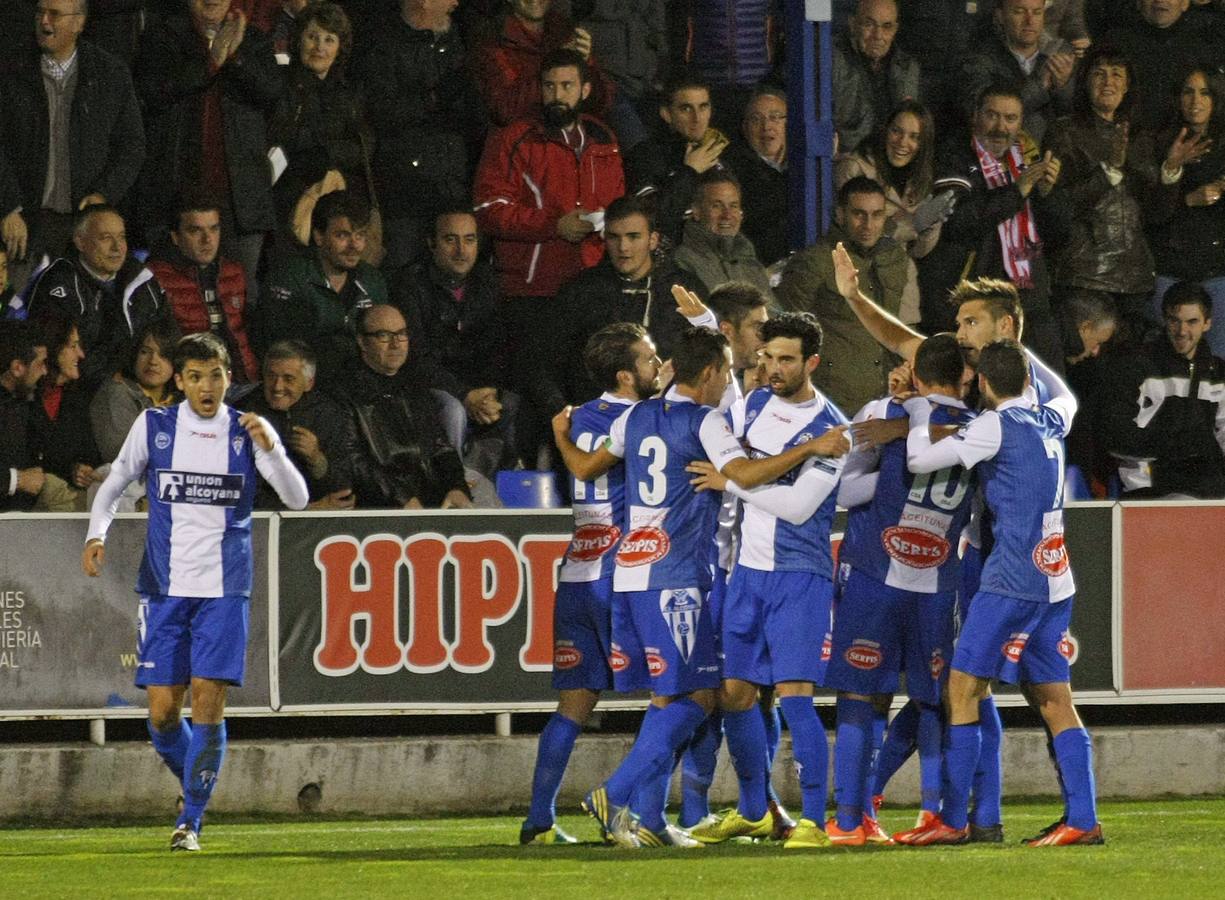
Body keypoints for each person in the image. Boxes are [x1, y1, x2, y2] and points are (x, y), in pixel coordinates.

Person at [552, 327, 848, 847]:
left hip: (631, 574)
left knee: (677, 697)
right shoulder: (709, 421)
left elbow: (583, 465)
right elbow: (744, 475)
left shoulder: (634, 415)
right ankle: (616, 793)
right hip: (679, 579)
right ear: (710, 373)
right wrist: (809, 449)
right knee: (702, 698)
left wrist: (559, 435)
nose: (734, 380)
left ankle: (649, 819)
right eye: (728, 370)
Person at [82, 332, 309, 853]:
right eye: (196, 376)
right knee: (162, 715)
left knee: (208, 703)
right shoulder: (156, 426)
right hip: (164, 587)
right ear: (180, 381)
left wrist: (271, 452)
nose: (207, 386)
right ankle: (197, 787)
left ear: (229, 378)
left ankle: (191, 821)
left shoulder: (248, 431)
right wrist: (97, 534)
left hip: (225, 589)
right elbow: (116, 481)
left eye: (216, 375)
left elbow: (297, 500)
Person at [900, 338, 1102, 847]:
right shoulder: (1053, 420)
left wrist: (919, 409)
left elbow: (920, 460)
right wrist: (1025, 352)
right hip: (1056, 578)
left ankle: (953, 820)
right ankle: (1083, 819)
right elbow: (1068, 398)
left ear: (984, 385)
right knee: (1054, 699)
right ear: (1030, 382)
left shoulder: (993, 424)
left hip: (1010, 578)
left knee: (962, 689)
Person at [684, 313, 850, 850]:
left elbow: (799, 508)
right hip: (745, 576)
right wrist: (706, 323)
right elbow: (718, 396)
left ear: (812, 363)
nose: (773, 369)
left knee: (796, 698)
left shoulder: (833, 429)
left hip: (798, 576)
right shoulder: (752, 403)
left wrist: (731, 479)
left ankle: (816, 825)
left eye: (786, 360)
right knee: (734, 694)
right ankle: (755, 810)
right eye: (767, 358)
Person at [825, 333, 975, 845]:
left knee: (858, 696)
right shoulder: (983, 428)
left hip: (874, 575)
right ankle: (932, 813)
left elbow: (841, 488)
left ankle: (850, 821)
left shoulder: (892, 415)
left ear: (915, 373)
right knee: (933, 700)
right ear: (965, 376)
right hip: (936, 587)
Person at [520, 322, 661, 846]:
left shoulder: (575, 416)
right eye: (650, 359)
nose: (659, 365)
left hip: (578, 569)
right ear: (626, 375)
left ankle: (539, 819)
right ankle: (639, 815)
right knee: (678, 696)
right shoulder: (643, 420)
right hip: (623, 574)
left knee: (573, 706)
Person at [473, 47, 624, 359]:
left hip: (594, 283)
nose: (557, 95)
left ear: (584, 90)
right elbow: (487, 209)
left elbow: (619, 206)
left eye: (566, 86)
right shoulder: (514, 138)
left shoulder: (603, 139)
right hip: (534, 289)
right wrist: (553, 224)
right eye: (549, 86)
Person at [1043, 45, 1193, 341]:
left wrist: (1171, 171)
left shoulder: (1141, 138)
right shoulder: (1065, 132)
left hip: (1134, 279)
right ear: (1085, 83)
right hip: (1083, 275)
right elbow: (1060, 207)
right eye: (1098, 74)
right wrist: (1109, 170)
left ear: (1127, 86)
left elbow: (1155, 214)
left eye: (1116, 75)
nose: (1107, 82)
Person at [135, 0, 281, 293]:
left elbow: (272, 93)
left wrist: (235, 56)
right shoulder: (162, 38)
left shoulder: (252, 39)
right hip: (172, 201)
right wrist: (210, 62)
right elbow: (152, 91)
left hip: (240, 206)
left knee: (241, 299)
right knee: (171, 299)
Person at [921, 83, 1069, 368]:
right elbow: (959, 223)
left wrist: (1049, 194)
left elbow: (1060, 234)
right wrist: (1017, 192)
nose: (1000, 127)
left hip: (1030, 299)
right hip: (977, 299)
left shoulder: (1028, 159)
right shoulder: (955, 157)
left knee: (1046, 390)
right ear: (975, 115)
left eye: (1010, 119)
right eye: (992, 116)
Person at [0, 0, 145, 282]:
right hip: (25, 223)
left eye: (54, 14)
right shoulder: (10, 71)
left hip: (85, 223)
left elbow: (132, 146)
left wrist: (103, 194)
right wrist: (7, 206)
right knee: (21, 313)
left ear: (79, 22)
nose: (44, 21)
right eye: (40, 12)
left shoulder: (110, 74)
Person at [531, 196, 709, 418]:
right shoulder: (581, 290)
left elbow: (708, 360)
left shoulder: (685, 292)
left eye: (633, 237)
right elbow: (542, 362)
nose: (623, 247)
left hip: (667, 421)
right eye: (614, 237)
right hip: (595, 421)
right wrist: (566, 416)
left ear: (653, 240)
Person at [392, 207, 518, 474]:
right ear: (431, 243)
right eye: (451, 240)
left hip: (477, 388)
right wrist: (464, 394)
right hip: (430, 387)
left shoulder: (489, 283)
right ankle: (453, 486)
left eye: (469, 239)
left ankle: (502, 488)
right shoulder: (410, 285)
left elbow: (500, 348)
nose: (461, 250)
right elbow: (415, 357)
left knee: (514, 403)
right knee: (452, 410)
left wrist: (490, 391)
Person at [357, 0, 481, 269]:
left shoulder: (458, 41)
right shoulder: (384, 42)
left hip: (451, 186)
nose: (456, 3)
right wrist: (432, 100)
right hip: (406, 191)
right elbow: (378, 109)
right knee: (405, 271)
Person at [776, 176, 909, 416]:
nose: (868, 224)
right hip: (832, 398)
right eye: (859, 214)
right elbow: (788, 329)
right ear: (840, 214)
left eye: (877, 214)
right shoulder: (815, 260)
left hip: (884, 395)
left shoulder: (894, 258)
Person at [332, 303, 473, 510]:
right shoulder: (343, 393)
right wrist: (402, 498)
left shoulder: (415, 385)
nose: (396, 344)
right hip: (380, 508)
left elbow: (440, 446)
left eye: (401, 334)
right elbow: (353, 461)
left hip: (430, 497)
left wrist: (456, 487)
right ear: (362, 342)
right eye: (384, 336)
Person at [17, 204, 168, 386]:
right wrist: (116, 379)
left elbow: (167, 335)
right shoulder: (60, 283)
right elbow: (64, 355)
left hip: (140, 384)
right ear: (80, 242)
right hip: (82, 390)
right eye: (106, 238)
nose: (117, 247)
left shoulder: (141, 279)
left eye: (121, 237)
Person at [1101, 281, 1225, 499]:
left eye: (1192, 322)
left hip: (1207, 484)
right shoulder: (1136, 368)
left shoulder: (1218, 372)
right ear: (1164, 320)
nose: (1182, 331)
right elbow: (1116, 436)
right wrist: (1174, 445)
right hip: (1147, 485)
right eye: (1174, 321)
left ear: (1207, 324)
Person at [835, 100, 950, 326]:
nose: (902, 143)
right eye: (897, 131)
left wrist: (931, 223)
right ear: (884, 130)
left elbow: (918, 251)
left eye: (914, 137)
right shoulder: (854, 168)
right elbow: (857, 237)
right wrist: (912, 224)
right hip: (863, 289)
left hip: (903, 297)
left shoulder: (920, 178)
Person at [267, 1, 368, 254]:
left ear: (339, 47)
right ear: (299, 39)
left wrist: (328, 155)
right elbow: (285, 138)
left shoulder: (349, 92)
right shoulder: (283, 85)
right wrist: (325, 154)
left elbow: (365, 144)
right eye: (312, 37)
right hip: (289, 205)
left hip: (340, 203)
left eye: (329, 39)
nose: (319, 47)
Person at [260, 190, 388, 384]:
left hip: (362, 382)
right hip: (305, 383)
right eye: (342, 235)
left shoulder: (372, 280)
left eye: (360, 236)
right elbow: (282, 349)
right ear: (319, 236)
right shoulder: (289, 277)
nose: (355, 245)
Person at [1146, 67, 1225, 356]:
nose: (1196, 101)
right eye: (1188, 92)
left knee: (1218, 366)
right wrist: (1172, 171)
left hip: (1217, 271)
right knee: (1167, 365)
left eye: (1205, 93)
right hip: (1170, 269)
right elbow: (1150, 212)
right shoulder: (1157, 142)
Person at [149, 193, 260, 387]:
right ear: (176, 237)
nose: (207, 239)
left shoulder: (233, 271)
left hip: (243, 382)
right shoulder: (156, 277)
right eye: (195, 230)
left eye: (214, 229)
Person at [241, 339, 356, 509]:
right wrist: (307, 510)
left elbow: (344, 490)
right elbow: (240, 490)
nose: (278, 386)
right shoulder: (243, 415)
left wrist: (318, 461)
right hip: (261, 523)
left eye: (289, 379)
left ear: (308, 383)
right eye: (271, 376)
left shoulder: (328, 414)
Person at [469, 0, 614, 128]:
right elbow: (503, 110)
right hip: (522, 145)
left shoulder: (565, 31)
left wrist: (586, 63)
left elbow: (600, 104)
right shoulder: (493, 44)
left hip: (566, 138)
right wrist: (553, 67)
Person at [624, 75, 730, 246]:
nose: (697, 118)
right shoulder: (645, 155)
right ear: (667, 114)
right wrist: (690, 171)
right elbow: (650, 219)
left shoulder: (720, 153)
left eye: (703, 107)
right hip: (672, 260)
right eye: (686, 109)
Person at [959, 0, 1076, 147]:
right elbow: (979, 113)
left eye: (1037, 12)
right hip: (997, 159)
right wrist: (1040, 85)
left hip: (1054, 157)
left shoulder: (1060, 54)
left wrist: (1063, 86)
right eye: (1019, 11)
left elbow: (1076, 116)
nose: (1029, 20)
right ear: (1000, 16)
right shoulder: (979, 61)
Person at [1102, 0, 1220, 131]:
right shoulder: (1114, 43)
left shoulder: (1205, 43)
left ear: (1185, 3)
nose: (1160, 1)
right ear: (1138, 3)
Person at [832, 0, 923, 156]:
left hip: (893, 162)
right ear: (852, 24)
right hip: (848, 161)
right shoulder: (832, 60)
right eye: (869, 24)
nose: (878, 35)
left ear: (896, 29)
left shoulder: (908, 68)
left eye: (887, 27)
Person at [28, 313, 99, 511]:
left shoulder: (77, 397)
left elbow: (90, 453)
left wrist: (80, 469)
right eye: (73, 346)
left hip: (68, 496)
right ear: (53, 348)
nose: (81, 354)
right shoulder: (24, 397)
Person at [90, 318, 181, 465]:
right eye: (145, 352)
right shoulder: (117, 392)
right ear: (134, 354)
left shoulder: (182, 399)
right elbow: (122, 456)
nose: (153, 361)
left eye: (163, 355)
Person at [673, 171, 775, 302]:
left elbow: (773, 313)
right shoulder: (683, 262)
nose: (727, 215)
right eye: (717, 206)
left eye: (733, 206)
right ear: (696, 211)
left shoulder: (750, 262)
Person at [723, 86, 789, 266]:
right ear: (744, 128)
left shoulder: (804, 166)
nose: (766, 127)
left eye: (775, 118)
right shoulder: (730, 170)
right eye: (756, 119)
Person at [0, 320, 48, 512]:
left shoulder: (22, 402)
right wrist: (16, 480)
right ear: (18, 367)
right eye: (41, 364)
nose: (45, 371)